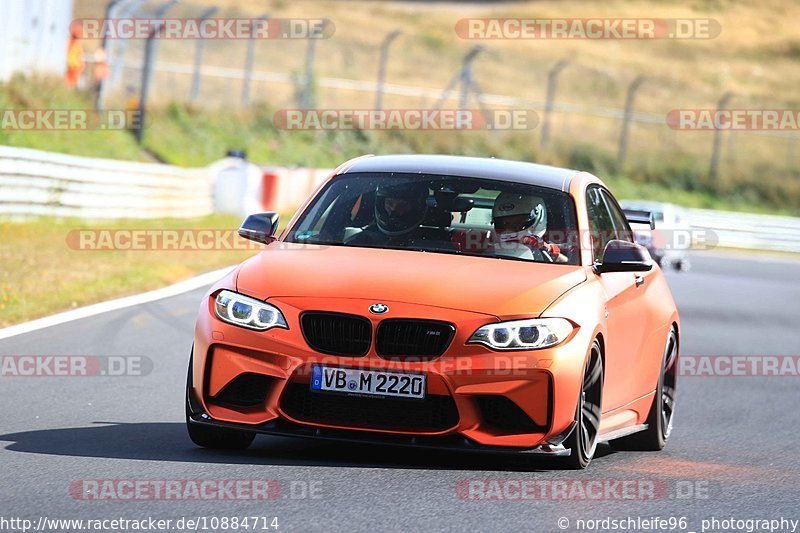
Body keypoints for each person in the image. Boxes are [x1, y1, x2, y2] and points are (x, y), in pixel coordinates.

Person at [347, 181, 435, 247]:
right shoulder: (362, 240)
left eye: (402, 204)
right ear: (381, 203)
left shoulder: (432, 243)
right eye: (389, 203)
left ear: (416, 207)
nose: (393, 209)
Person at [490, 191, 568, 263]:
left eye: (518, 223)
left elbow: (568, 263)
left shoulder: (547, 245)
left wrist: (548, 250)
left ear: (538, 217)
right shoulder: (487, 247)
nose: (510, 229)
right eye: (503, 224)